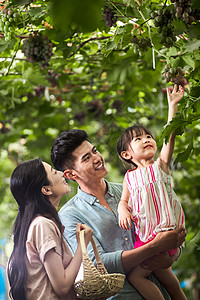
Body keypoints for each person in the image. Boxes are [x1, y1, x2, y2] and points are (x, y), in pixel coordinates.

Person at [51, 128, 186, 300]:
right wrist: (153, 248)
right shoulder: (70, 215)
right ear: (71, 174)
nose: (97, 158)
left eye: (94, 151)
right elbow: (96, 263)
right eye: (86, 158)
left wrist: (171, 256)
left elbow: (164, 228)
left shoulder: (131, 189)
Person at [116, 84, 186, 300]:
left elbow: (169, 137)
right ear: (127, 154)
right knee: (168, 279)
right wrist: (122, 211)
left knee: (138, 277)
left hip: (166, 234)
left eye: (148, 136)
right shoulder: (129, 177)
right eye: (138, 139)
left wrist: (172, 105)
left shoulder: (160, 167)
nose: (147, 139)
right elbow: (124, 201)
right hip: (147, 239)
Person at [7, 158, 93, 300]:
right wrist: (82, 246)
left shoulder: (39, 224)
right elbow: (62, 287)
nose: (61, 173)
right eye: (54, 172)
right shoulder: (42, 225)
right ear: (46, 189)